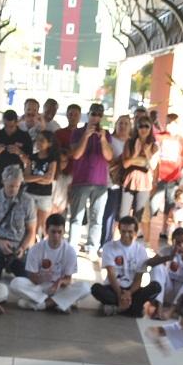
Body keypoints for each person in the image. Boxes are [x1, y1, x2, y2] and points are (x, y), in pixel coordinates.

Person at [9, 212, 91, 313]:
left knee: (85, 288)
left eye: (59, 232)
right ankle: (60, 302)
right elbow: (32, 277)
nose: (56, 236)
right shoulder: (35, 249)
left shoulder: (70, 251)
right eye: (53, 232)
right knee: (15, 283)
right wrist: (42, 279)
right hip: (40, 287)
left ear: (64, 231)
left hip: (59, 288)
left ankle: (43, 304)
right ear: (46, 230)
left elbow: (68, 279)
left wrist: (59, 282)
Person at [68, 102, 114, 256]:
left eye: (99, 115)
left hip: (100, 183)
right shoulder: (77, 132)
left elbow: (109, 156)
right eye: (94, 114)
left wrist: (102, 140)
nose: (96, 117)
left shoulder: (106, 135)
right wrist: (86, 136)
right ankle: (72, 247)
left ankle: (92, 247)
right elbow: (76, 154)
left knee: (97, 218)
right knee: (76, 217)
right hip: (80, 180)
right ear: (89, 115)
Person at [92, 216, 160, 318]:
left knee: (156, 287)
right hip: (114, 288)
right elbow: (111, 274)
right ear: (119, 231)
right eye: (123, 231)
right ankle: (132, 309)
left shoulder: (141, 250)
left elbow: (139, 278)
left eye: (130, 232)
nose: (126, 235)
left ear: (136, 232)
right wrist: (120, 294)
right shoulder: (109, 247)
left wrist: (129, 293)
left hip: (132, 289)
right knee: (96, 289)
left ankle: (118, 308)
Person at [0, 164, 37, 278]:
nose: (14, 189)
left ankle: (13, 265)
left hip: (18, 245)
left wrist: (22, 248)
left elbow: (31, 232)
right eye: (10, 186)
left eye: (17, 186)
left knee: (29, 276)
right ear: (3, 182)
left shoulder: (28, 201)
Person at [143, 227, 183, 320]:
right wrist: (168, 257)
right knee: (157, 266)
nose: (181, 245)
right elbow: (149, 263)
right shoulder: (168, 250)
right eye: (178, 242)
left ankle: (171, 310)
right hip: (168, 291)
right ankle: (159, 306)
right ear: (173, 242)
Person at [122, 117, 161, 250]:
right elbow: (126, 163)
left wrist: (144, 154)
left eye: (146, 126)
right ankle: (121, 242)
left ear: (150, 129)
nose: (143, 129)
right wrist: (138, 156)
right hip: (130, 181)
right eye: (140, 126)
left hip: (145, 183)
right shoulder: (130, 142)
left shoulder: (154, 145)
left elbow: (151, 165)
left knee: (138, 216)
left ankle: (132, 244)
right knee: (123, 214)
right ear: (136, 128)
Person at [102, 114, 132, 247]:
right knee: (110, 213)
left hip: (128, 184)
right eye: (120, 123)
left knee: (123, 214)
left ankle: (120, 241)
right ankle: (106, 242)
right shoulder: (111, 140)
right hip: (112, 182)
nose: (123, 126)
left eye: (126, 124)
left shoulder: (132, 142)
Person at [0, 109, 33, 195]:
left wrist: (19, 152)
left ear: (17, 122)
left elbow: (28, 161)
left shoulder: (24, 136)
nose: (8, 129)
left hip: (16, 178)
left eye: (11, 126)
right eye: (6, 126)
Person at [24, 129, 58, 239]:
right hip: (30, 193)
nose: (38, 143)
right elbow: (25, 177)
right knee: (30, 223)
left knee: (43, 225)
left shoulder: (52, 159)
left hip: (44, 195)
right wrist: (41, 177)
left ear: (49, 144)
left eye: (42, 141)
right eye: (37, 140)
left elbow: (49, 179)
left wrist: (34, 178)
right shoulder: (32, 157)